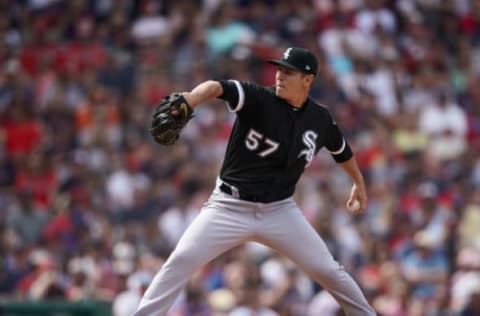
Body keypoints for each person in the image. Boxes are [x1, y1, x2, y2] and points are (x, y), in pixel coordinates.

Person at [133, 47, 376, 315]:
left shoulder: (319, 119)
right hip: (228, 206)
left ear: (308, 79)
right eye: (279, 70)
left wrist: (358, 183)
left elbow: (341, 150)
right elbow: (218, 87)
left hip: (279, 211)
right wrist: (191, 99)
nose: (280, 76)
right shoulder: (259, 99)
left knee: (329, 271)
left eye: (288, 72)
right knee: (180, 261)